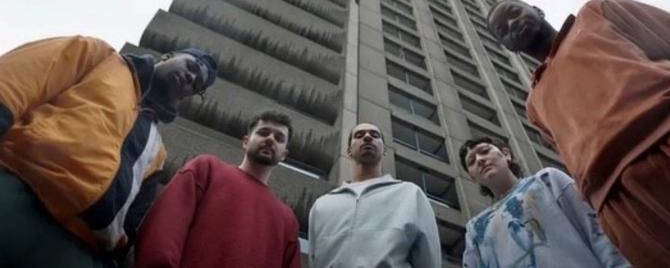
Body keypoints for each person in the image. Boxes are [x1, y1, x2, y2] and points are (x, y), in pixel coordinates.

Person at [486, 0, 670, 267]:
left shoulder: (597, 13)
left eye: (514, 12)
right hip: (619, 198)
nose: (512, 23)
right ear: (508, 48)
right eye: (503, 30)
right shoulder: (534, 104)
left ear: (536, 9)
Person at [0, 35, 217, 267]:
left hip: (79, 248)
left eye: (196, 84)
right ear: (169, 55)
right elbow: (20, 79)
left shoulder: (157, 153)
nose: (190, 77)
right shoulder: (101, 57)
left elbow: (135, 221)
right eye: (191, 66)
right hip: (17, 191)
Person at [135, 110, 301, 268]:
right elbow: (164, 229)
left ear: (284, 155)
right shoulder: (206, 169)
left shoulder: (287, 220)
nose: (271, 139)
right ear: (245, 141)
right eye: (263, 133)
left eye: (279, 138)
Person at [459, 137, 630, 267]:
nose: (480, 160)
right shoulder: (475, 228)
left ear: (506, 154)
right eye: (471, 162)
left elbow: (596, 229)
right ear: (473, 178)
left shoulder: (547, 180)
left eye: (484, 151)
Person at [308, 122, 442, 268]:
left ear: (384, 149)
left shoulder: (410, 194)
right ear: (348, 151)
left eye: (374, 135)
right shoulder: (322, 205)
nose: (367, 137)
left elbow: (429, 261)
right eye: (359, 135)